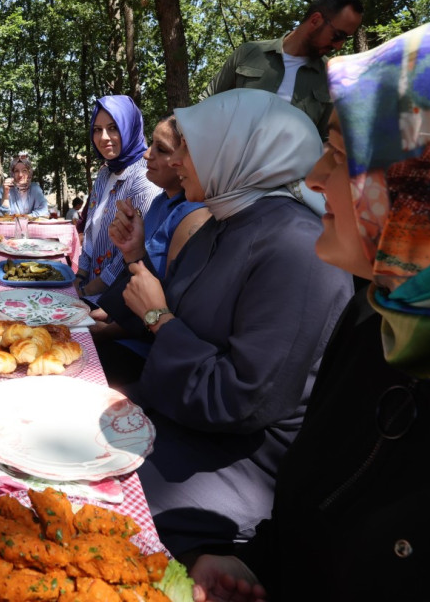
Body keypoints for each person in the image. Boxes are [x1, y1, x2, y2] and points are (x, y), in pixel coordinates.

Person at [191, 0, 430, 602]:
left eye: (342, 154)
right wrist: (256, 569)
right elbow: (321, 513)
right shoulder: (378, 319)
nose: (312, 177)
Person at [118, 89, 354, 560]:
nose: (178, 160)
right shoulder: (223, 221)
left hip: (237, 463)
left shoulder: (296, 248)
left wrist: (159, 320)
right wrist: (135, 259)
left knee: (82, 497)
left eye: (189, 147)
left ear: (238, 150)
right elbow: (176, 309)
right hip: (179, 420)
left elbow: (243, 399)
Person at [92, 117, 211, 382]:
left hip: (146, 350)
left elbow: (170, 304)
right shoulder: (160, 201)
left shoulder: (195, 217)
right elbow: (140, 271)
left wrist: (108, 329)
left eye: (162, 149)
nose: (147, 154)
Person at [206, 0, 364, 139]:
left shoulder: (331, 78)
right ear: (315, 20)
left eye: (346, 38)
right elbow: (207, 104)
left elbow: (326, 142)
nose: (339, 46)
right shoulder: (249, 53)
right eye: (338, 35)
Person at [76, 95, 161, 299]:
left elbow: (131, 254)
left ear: (129, 128)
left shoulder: (144, 179)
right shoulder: (105, 173)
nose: (103, 137)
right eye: (97, 129)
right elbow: (89, 233)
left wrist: (87, 291)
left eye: (113, 127)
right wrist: (79, 277)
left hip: (116, 302)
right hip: (88, 291)